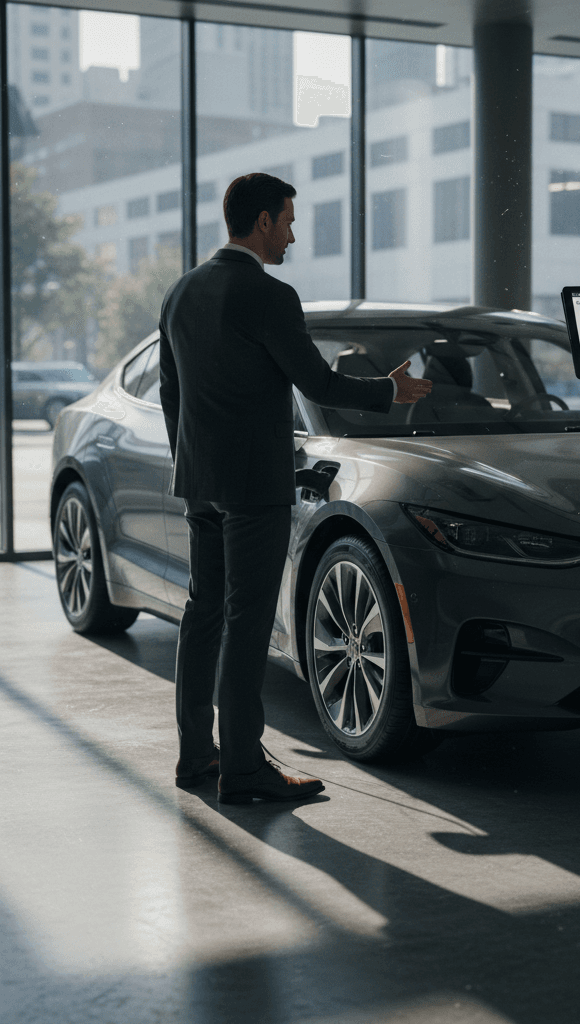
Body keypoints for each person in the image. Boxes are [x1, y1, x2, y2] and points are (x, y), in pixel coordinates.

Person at [160, 172, 432, 804]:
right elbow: (319, 385)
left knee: (202, 617)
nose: (291, 235)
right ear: (260, 223)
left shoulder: (180, 293)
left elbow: (175, 400)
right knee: (248, 622)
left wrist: (193, 465)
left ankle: (197, 756)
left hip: (201, 481)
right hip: (253, 486)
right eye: (286, 221)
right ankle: (245, 771)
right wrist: (390, 390)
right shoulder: (269, 296)